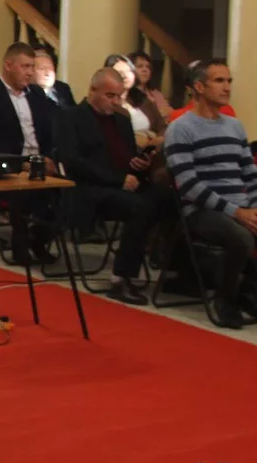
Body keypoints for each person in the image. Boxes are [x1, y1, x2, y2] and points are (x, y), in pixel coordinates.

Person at [55, 68, 173, 306]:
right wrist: (119, 180)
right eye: (110, 95)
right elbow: (74, 162)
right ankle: (121, 277)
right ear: (92, 90)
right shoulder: (71, 118)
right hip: (89, 189)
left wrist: (140, 164)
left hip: (123, 183)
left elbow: (126, 159)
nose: (116, 102)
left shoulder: (121, 120)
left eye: (119, 96)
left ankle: (173, 268)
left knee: (170, 199)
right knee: (139, 207)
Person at [166, 59, 257, 329]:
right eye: (219, 81)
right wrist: (237, 212)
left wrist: (254, 207)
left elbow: (250, 173)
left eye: (229, 81)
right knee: (240, 238)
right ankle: (225, 300)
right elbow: (188, 185)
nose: (227, 87)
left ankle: (248, 290)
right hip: (203, 210)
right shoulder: (181, 128)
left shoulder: (234, 126)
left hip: (241, 207)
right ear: (199, 87)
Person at [0, 42, 58, 264]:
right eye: (25, 66)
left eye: (32, 67)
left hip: (39, 160)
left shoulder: (37, 94)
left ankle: (38, 240)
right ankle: (20, 245)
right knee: (22, 193)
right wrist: (20, 163)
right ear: (8, 65)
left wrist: (50, 157)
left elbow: (48, 132)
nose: (30, 72)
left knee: (67, 194)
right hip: (7, 164)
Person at [130, 51, 173, 121]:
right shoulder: (127, 93)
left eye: (148, 67)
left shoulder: (155, 93)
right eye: (140, 66)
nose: (145, 70)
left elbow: (170, 112)